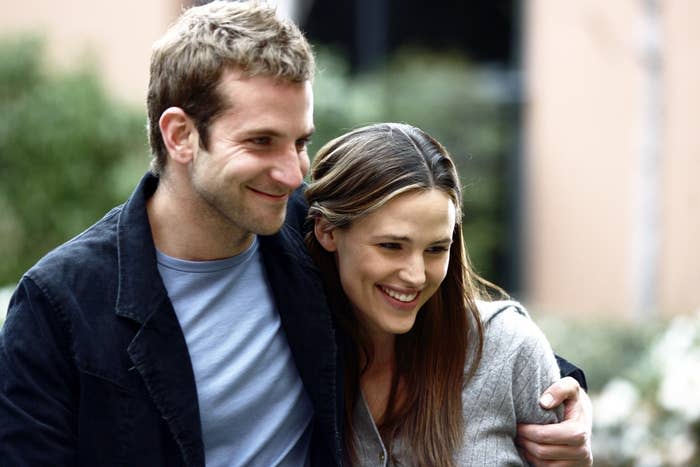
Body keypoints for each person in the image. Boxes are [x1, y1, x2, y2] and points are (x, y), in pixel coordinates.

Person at [0, 2, 590, 466]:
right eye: (261, 142)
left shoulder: (309, 235)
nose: (293, 172)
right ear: (180, 136)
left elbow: (438, 313)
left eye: (301, 141)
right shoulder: (59, 304)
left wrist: (564, 391)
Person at [303, 122, 590, 465]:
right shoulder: (291, 349)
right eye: (391, 246)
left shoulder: (510, 348)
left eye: (436, 249)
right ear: (326, 231)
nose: (416, 275)